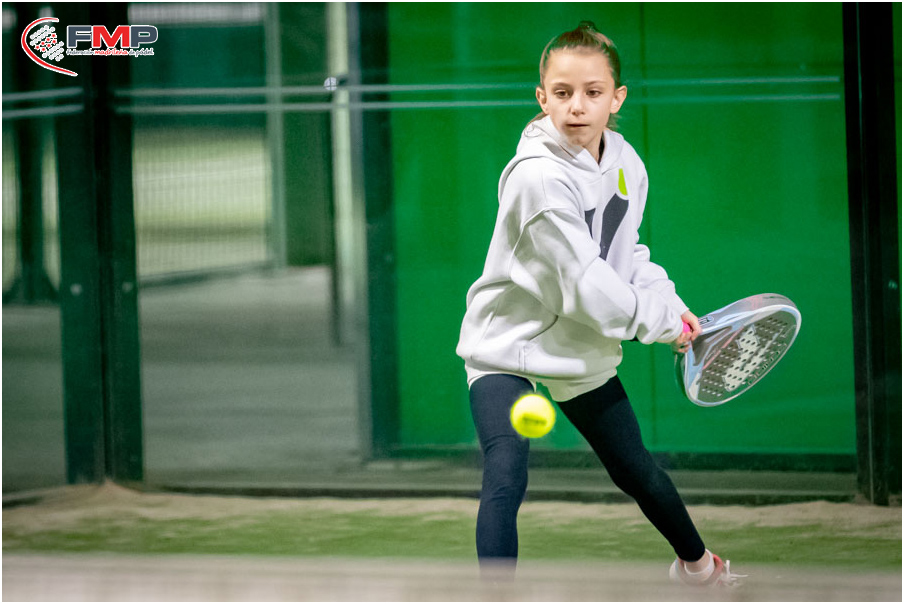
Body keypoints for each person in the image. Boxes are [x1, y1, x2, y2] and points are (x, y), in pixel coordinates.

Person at [456, 21, 741, 587]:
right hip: (507, 345)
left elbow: (625, 254)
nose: (577, 106)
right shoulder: (537, 179)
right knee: (505, 474)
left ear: (617, 98)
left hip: (577, 348)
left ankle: (701, 571)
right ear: (542, 98)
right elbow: (586, 286)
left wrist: (670, 304)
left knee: (636, 470)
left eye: (593, 92)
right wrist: (661, 323)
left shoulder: (626, 164)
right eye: (562, 93)